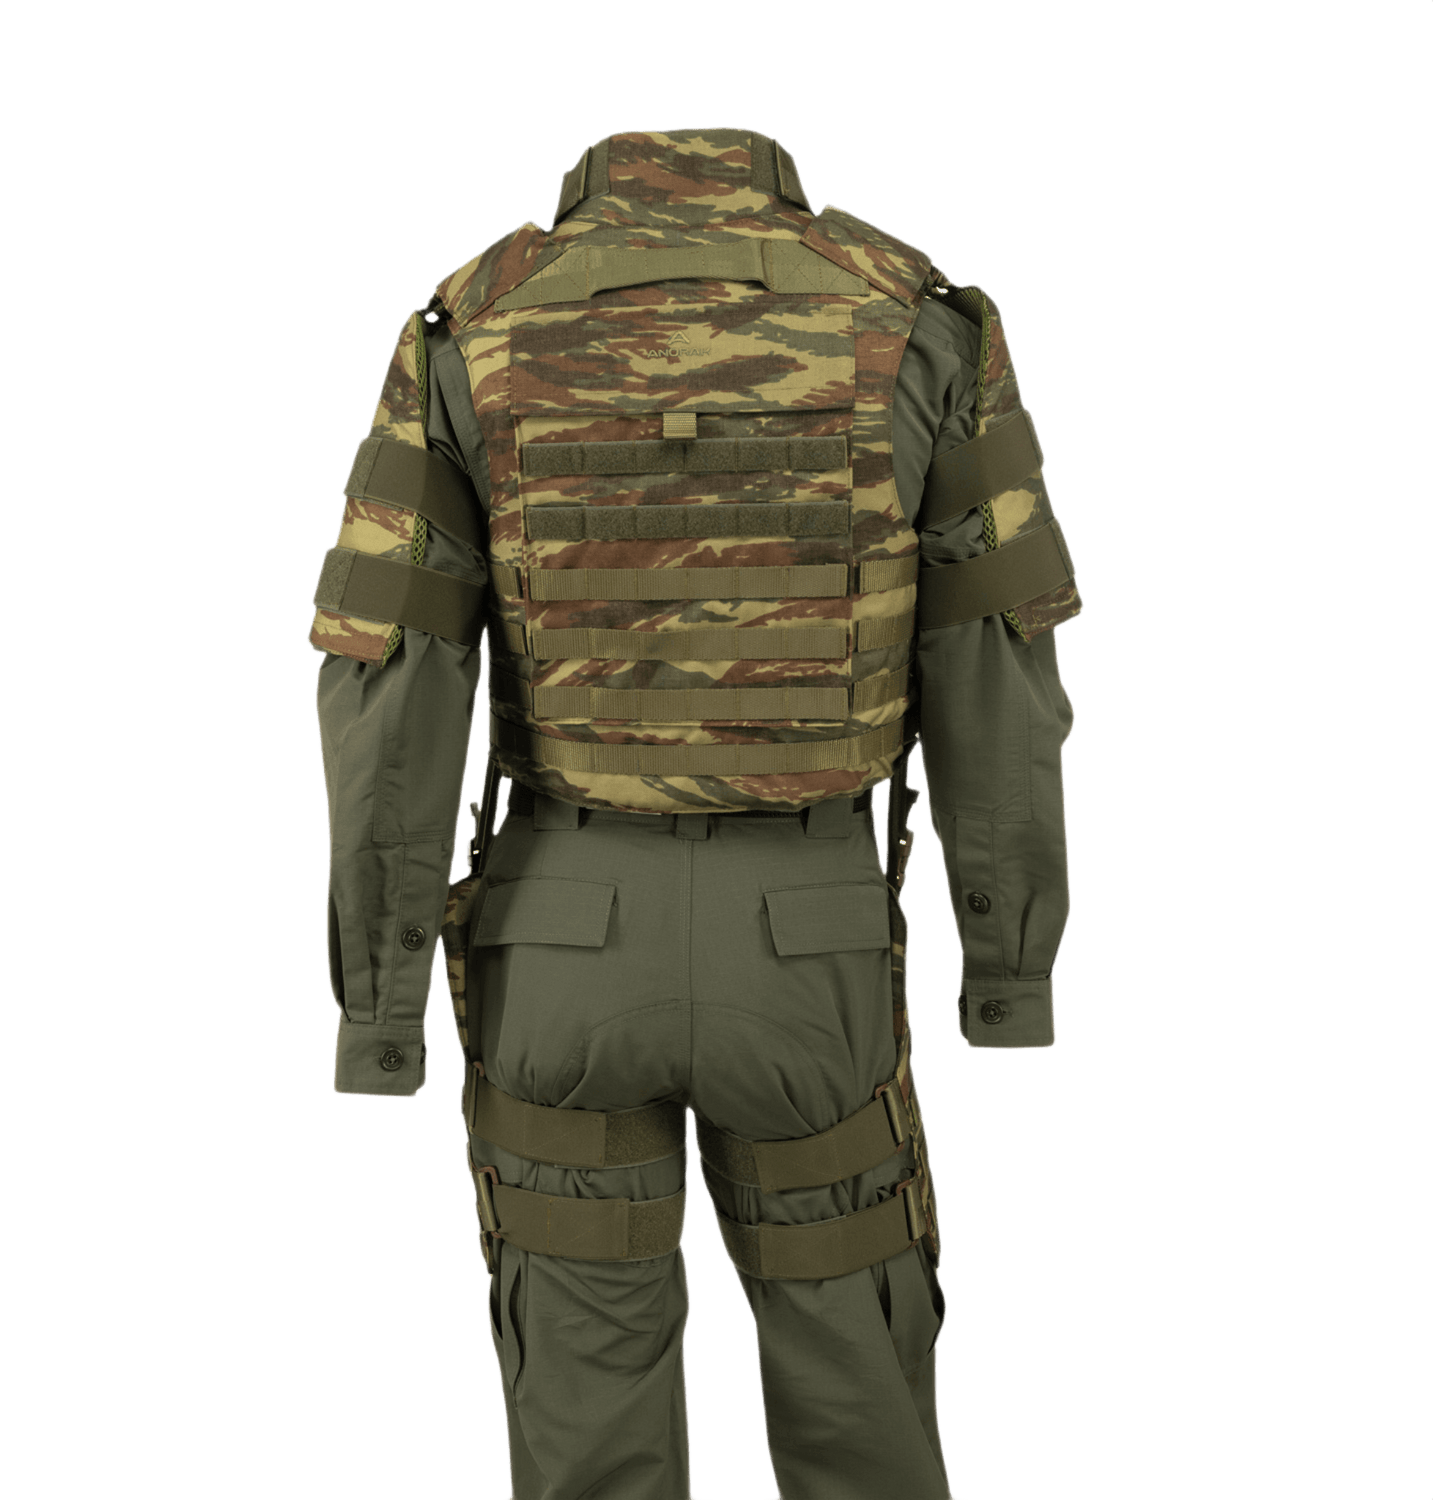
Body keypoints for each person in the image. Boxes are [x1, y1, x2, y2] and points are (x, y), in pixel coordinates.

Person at [308, 126, 1081, 1500]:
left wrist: (381, 1002)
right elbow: (995, 664)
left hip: (562, 940)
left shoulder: (471, 321)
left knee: (584, 1430)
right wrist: (1007, 967)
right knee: (862, 1407)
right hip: (810, 944)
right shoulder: (914, 315)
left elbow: (393, 677)